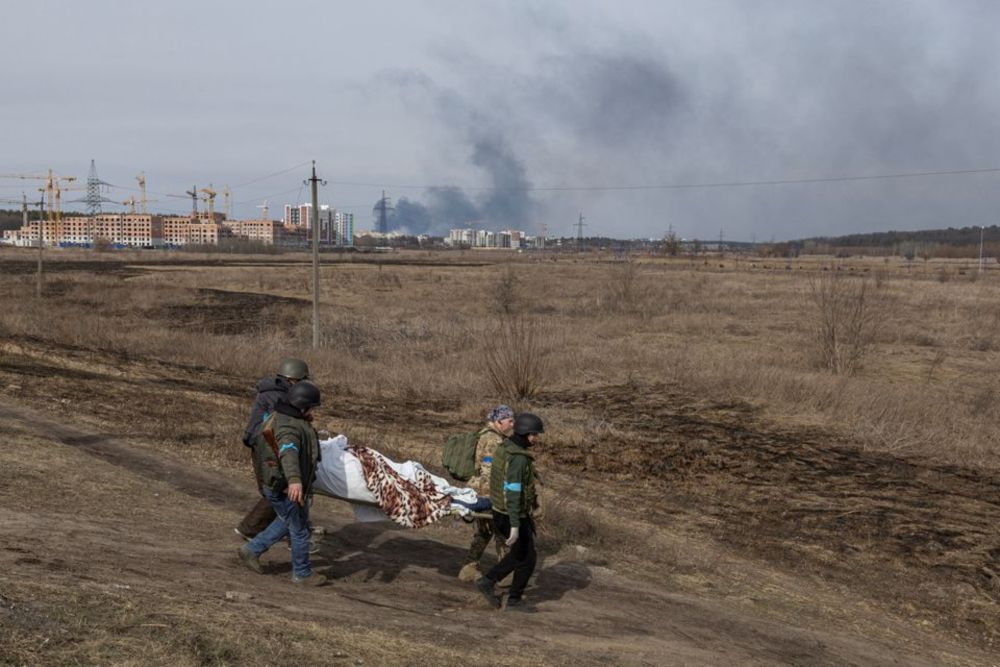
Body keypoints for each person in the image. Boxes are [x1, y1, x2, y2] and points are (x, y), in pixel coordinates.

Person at [237, 380, 327, 586]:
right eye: (312, 407)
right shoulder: (289, 428)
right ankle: (302, 574)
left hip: (275, 483)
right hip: (284, 486)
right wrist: (295, 481)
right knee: (299, 528)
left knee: (287, 521)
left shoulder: (279, 416)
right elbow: (288, 452)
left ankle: (250, 550)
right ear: (302, 406)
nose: (313, 411)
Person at [474, 412, 544, 612]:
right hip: (512, 514)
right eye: (534, 434)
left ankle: (491, 583)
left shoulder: (505, 448)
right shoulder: (518, 458)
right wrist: (515, 525)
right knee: (527, 557)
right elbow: (513, 492)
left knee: (523, 555)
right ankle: (511, 597)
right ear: (524, 433)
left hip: (501, 511)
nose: (536, 439)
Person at [235, 357, 310, 540]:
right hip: (264, 444)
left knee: (279, 489)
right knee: (277, 488)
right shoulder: (278, 396)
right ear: (293, 379)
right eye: (301, 381)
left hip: (264, 442)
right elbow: (280, 424)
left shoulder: (277, 392)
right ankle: (251, 529)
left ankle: (294, 530)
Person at [458, 404, 515, 581]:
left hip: (479, 490)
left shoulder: (486, 435)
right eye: (510, 420)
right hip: (487, 492)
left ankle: (469, 568)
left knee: (484, 532)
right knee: (501, 531)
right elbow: (489, 470)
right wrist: (497, 497)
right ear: (499, 421)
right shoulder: (493, 440)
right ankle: (505, 574)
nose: (512, 424)